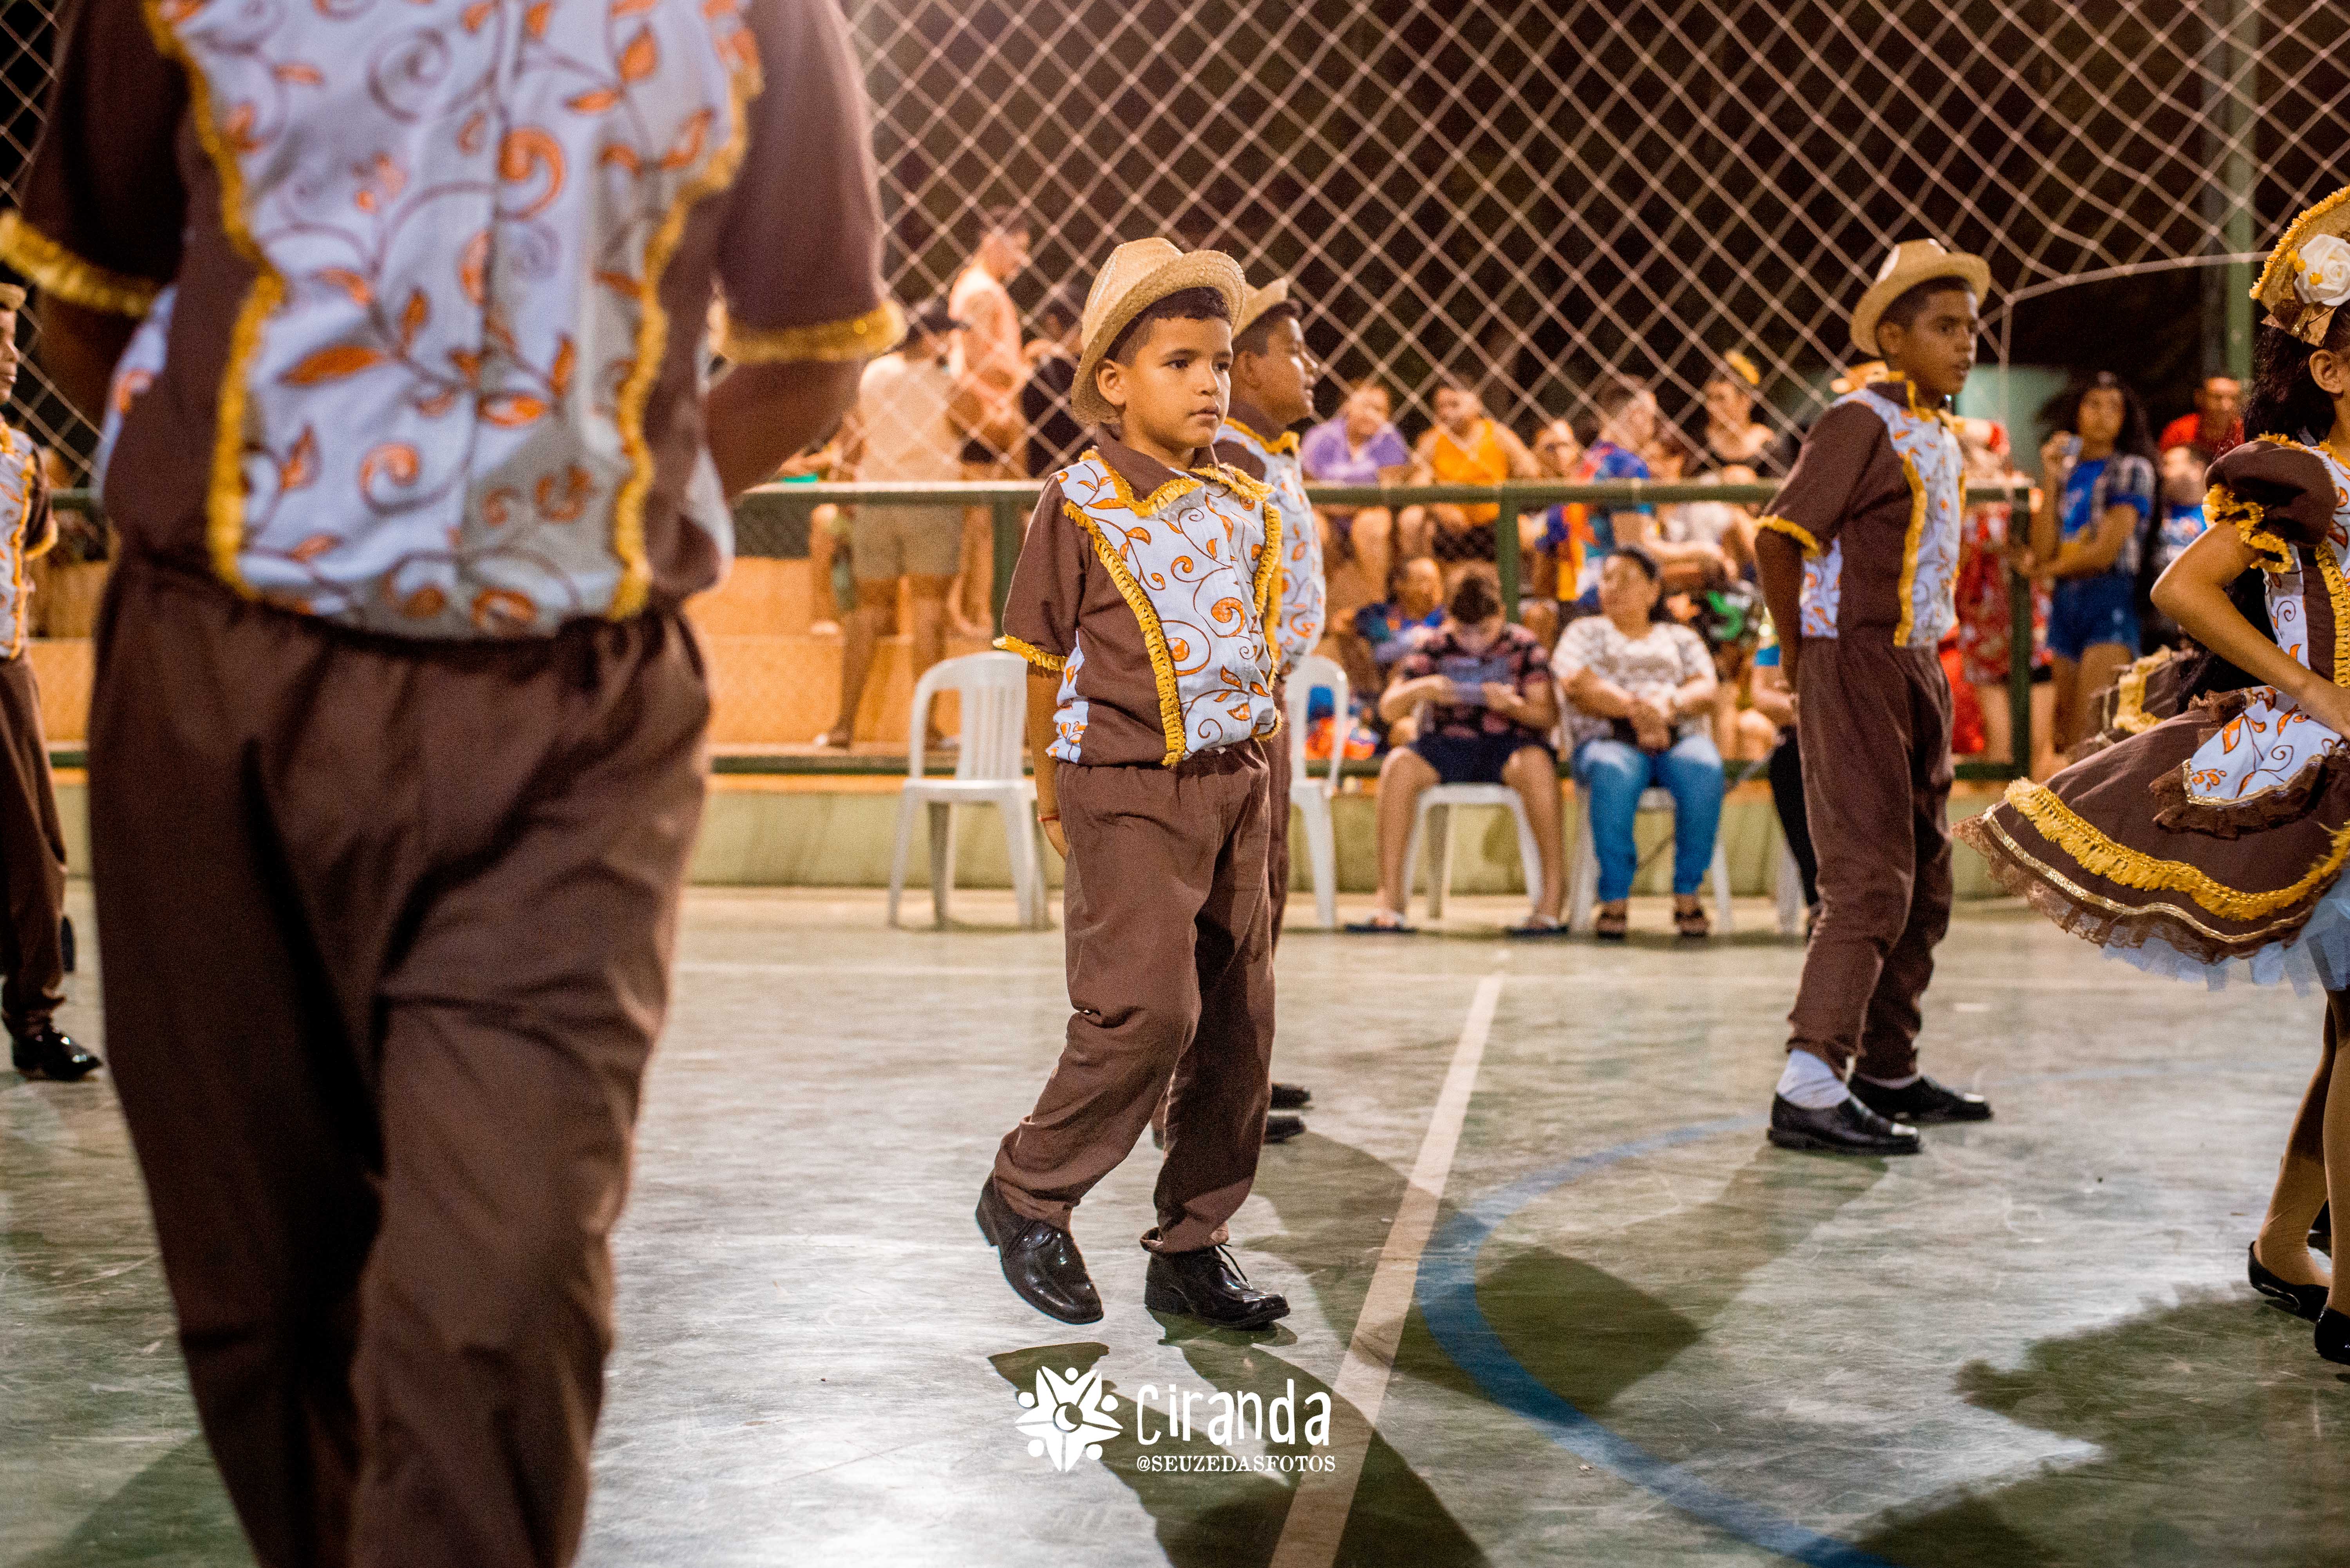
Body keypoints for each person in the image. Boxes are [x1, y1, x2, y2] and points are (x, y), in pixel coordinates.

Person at [2, 0, 898, 1559]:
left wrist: (595, 509)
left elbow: (808, 350)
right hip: (216, 686)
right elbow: (90, 301)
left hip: (567, 725)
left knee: (503, 1294)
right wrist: (267, 496)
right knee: (265, 1296)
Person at [1956, 188, 2350, 1367]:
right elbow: (2182, 588)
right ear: (2330, 368)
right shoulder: (2301, 475)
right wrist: (2310, 687)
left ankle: (2284, 1243)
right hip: (2329, 764)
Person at [980, 239, 1289, 1332]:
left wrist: (1259, 782)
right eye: (1180, 363)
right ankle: (1029, 1191)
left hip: (1235, 781)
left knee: (1238, 1028)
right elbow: (1041, 654)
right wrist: (1048, 787)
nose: (1210, 384)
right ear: (1114, 381)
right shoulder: (1080, 501)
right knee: (1146, 1011)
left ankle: (1193, 1243)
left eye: (1220, 363)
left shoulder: (1242, 498)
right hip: (1123, 784)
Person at [1751, 238, 1997, 1155]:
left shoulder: (1937, 429)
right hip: (1854, 661)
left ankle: (1887, 1067)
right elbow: (1778, 537)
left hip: (1915, 663)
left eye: (1970, 327)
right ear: (1892, 338)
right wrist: (1800, 655)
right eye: (1944, 327)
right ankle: (1809, 1080)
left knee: (1926, 875)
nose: (1965, 343)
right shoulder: (1860, 420)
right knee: (1867, 876)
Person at [1215, 275, 1325, 1133]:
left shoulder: (1270, 454)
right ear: (1248, 367)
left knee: (1268, 881)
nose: (1310, 365)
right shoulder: (1233, 459)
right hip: (1246, 697)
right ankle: (1208, 1087)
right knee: (1243, 888)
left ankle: (1239, 1064)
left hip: (1271, 691)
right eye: (1293, 350)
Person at [1346, 567, 1564, 935]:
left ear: (1501, 615)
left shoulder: (1524, 645)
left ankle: (1550, 904)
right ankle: (1390, 904)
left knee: (1539, 766)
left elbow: (1547, 716)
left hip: (1510, 745)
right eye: (1465, 632)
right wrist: (1422, 689)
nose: (1474, 642)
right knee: (1398, 765)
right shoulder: (1435, 645)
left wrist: (1512, 706)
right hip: (1447, 746)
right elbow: (1388, 708)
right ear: (1450, 619)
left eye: (1484, 631)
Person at [822, 299, 984, 748]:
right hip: (931, 502)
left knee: (867, 612)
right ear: (932, 338)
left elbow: (852, 438)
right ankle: (925, 730)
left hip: (877, 501)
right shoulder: (944, 381)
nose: (952, 342)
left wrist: (842, 492)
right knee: (929, 612)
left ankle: (843, 725)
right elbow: (978, 422)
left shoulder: (874, 374)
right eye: (947, 334)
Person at [0, 286, 87, 1083]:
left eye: (11, 342)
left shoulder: (22, 457)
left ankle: (35, 1019)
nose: (8, 359)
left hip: (6, 666)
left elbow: (33, 543)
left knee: (37, 849)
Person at [1554, 549, 1727, 940]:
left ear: (1653, 591)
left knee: (1705, 767)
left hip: (1677, 739)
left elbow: (1705, 689)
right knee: (1613, 771)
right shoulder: (1584, 632)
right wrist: (1638, 711)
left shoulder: (1680, 637)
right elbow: (1578, 684)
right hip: (1607, 739)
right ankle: (1614, 897)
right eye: (1608, 578)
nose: (1614, 587)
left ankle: (1688, 892)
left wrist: (1668, 707)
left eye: (1628, 579)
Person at [2023, 372, 2159, 750]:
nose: (2103, 415)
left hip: (2111, 597)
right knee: (2065, 730)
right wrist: (2049, 477)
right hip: (2066, 599)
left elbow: (2104, 554)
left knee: (2090, 728)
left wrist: (2041, 571)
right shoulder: (2066, 471)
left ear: (2126, 418)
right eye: (2093, 404)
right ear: (2077, 411)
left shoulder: (2132, 469)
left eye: (2114, 407)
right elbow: (2044, 549)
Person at [1950, 417, 2056, 774]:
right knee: (2000, 753)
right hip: (1982, 633)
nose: (1972, 458)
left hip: (2030, 630)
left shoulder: (2023, 498)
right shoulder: (1953, 505)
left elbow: (2041, 555)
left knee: (2038, 755)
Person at [949, 207, 1034, 632]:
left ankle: (978, 613)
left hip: (982, 413)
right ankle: (976, 614)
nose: (1022, 260)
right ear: (992, 239)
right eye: (1017, 248)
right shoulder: (982, 291)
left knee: (983, 520)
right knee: (982, 522)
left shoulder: (975, 286)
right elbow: (977, 356)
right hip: (985, 415)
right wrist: (1027, 374)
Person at [1403, 378, 1539, 577]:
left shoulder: (1497, 435)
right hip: (1449, 524)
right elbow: (1417, 482)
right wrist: (1441, 508)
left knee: (1530, 531)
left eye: (1454, 405)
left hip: (1496, 520)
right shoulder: (1432, 440)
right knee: (1412, 519)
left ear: (1476, 404)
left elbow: (1530, 472)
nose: (1447, 413)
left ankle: (1533, 592)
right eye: (1441, 407)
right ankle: (1425, 585)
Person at [1301, 380, 1412, 621]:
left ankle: (1376, 611)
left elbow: (1388, 489)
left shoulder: (1390, 439)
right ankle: (1312, 611)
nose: (1371, 415)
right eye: (1365, 406)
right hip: (1326, 514)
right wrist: (1341, 503)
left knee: (1371, 525)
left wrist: (1342, 502)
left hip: (1366, 513)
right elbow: (1305, 484)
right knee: (1312, 526)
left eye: (1379, 410)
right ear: (1347, 405)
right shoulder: (1321, 436)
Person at [2138, 442, 2211, 649]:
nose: (2163, 472)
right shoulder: (2154, 513)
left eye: (2170, 464)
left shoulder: (2219, 516)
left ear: (2197, 469)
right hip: (2153, 623)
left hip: (2199, 623)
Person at [1696, 350, 1796, 476]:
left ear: (1745, 400)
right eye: (1709, 398)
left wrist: (1754, 483)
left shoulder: (1770, 446)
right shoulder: (1698, 444)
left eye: (1721, 399)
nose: (1711, 407)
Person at [1021, 288, 1087, 479]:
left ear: (1052, 323)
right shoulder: (1102, 372)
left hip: (1048, 481)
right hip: (1097, 477)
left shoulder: (1039, 376)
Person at [2157, 372, 2245, 459]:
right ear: (2200, 398)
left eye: (2234, 398)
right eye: (2217, 397)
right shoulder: (2179, 432)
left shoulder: (2245, 433)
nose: (2226, 406)